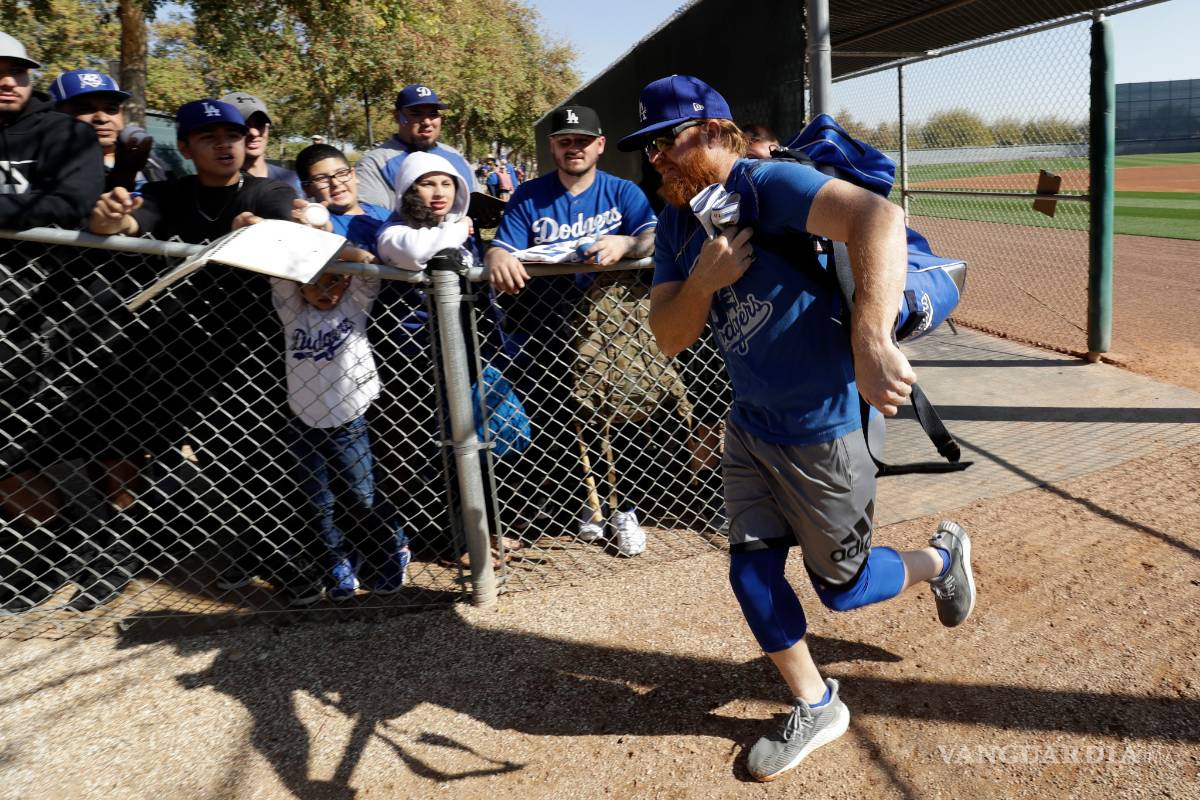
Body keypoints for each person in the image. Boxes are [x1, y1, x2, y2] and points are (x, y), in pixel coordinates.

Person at [622, 75, 976, 781]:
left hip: (826, 426)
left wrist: (872, 341)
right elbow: (667, 334)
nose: (658, 157)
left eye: (671, 140)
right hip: (751, 424)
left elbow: (874, 218)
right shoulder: (676, 223)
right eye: (650, 146)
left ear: (719, 134)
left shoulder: (769, 185)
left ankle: (941, 558)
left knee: (841, 590)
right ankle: (818, 704)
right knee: (749, 570)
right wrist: (704, 281)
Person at [88, 98, 323, 607]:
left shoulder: (268, 190)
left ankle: (286, 559)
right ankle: (225, 551)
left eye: (233, 136)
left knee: (259, 460)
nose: (225, 145)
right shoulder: (170, 192)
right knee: (173, 458)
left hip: (250, 354)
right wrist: (114, 222)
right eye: (210, 137)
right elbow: (134, 223)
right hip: (174, 352)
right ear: (189, 147)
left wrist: (263, 227)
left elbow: (285, 222)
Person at [487, 105, 659, 557]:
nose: (573, 147)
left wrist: (625, 242)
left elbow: (652, 236)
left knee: (619, 417)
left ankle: (627, 509)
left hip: (611, 328)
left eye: (582, 140)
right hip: (549, 326)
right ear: (553, 147)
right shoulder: (529, 196)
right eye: (565, 140)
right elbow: (502, 247)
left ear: (599, 145)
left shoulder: (621, 191)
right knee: (563, 419)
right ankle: (586, 505)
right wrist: (497, 256)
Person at [0, 33, 106, 611]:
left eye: (17, 70)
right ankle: (33, 564)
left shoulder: (65, 133)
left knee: (52, 440)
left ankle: (99, 555)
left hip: (47, 314)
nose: (7, 80)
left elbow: (72, 205)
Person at [271, 268, 412, 599]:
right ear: (299, 287)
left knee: (362, 496)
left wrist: (346, 256)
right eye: (312, 283)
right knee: (321, 502)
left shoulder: (352, 308)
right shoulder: (293, 314)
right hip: (304, 422)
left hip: (349, 420)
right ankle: (339, 559)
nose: (323, 290)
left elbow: (368, 275)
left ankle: (391, 549)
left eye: (332, 280)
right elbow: (279, 279)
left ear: (345, 281)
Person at [354, 83, 477, 210]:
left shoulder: (456, 156)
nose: (427, 122)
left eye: (433, 114)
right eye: (416, 114)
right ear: (397, 117)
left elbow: (478, 207)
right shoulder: (376, 162)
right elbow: (373, 218)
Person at [50, 69, 168, 190]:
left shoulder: (150, 162)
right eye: (85, 109)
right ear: (56, 114)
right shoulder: (46, 166)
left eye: (111, 109)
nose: (102, 118)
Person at [220, 91, 302, 195]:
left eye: (260, 124)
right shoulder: (214, 185)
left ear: (267, 128)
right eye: (244, 125)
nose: (254, 133)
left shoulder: (293, 181)